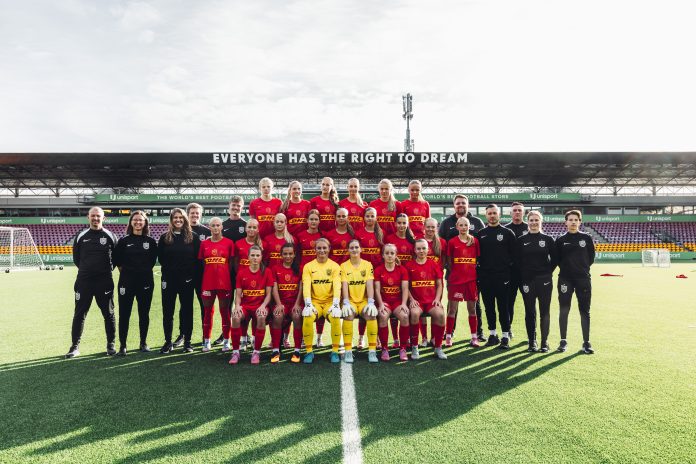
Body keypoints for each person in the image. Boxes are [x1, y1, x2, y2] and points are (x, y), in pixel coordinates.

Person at [65, 206, 119, 358]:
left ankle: (111, 344)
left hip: (104, 281)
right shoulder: (81, 236)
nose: (95, 218)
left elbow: (116, 259)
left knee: (109, 313)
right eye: (93, 216)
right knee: (79, 314)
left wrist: (103, 271)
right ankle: (74, 347)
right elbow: (76, 259)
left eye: (98, 216)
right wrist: (87, 270)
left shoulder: (110, 236)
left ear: (103, 218)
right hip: (84, 281)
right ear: (88, 217)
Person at [438, 194, 486, 342]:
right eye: (458, 203)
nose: (460, 205)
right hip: (454, 274)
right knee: (453, 305)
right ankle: (449, 333)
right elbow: (441, 245)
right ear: (454, 206)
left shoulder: (477, 222)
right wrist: (448, 267)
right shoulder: (446, 223)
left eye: (463, 203)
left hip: (472, 274)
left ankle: (478, 333)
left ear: (468, 205)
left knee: (475, 304)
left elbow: (482, 246)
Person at [112, 210, 158, 355]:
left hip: (145, 282)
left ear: (145, 223)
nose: (138, 222)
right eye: (135, 220)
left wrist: (141, 272)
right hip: (126, 283)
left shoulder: (150, 242)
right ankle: (123, 345)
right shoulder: (123, 241)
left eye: (140, 220)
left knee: (144, 313)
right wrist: (129, 274)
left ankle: (143, 343)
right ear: (131, 222)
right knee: (124, 314)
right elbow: (118, 262)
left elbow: (152, 262)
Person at [157, 208, 201, 354]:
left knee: (187, 311)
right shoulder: (164, 237)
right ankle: (168, 342)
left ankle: (187, 342)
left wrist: (188, 274)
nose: (178, 220)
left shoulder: (193, 237)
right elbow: (161, 258)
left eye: (181, 218)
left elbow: (197, 259)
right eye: (175, 217)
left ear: (185, 219)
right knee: (168, 311)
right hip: (169, 280)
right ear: (171, 220)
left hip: (187, 280)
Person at [514, 210, 557, 353]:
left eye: (536, 220)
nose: (533, 223)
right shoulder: (521, 240)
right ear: (528, 222)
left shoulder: (548, 239)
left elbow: (555, 259)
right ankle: (532, 341)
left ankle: (544, 342)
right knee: (530, 312)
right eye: (531, 220)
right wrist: (524, 274)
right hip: (527, 281)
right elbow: (517, 261)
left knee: (545, 312)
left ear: (541, 222)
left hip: (545, 281)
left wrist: (547, 273)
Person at [556, 210, 595, 354]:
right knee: (564, 310)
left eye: (576, 219)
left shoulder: (587, 238)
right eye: (570, 219)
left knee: (584, 310)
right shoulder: (560, 240)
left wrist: (581, 269)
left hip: (583, 279)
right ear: (565, 222)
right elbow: (557, 259)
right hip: (565, 279)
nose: (573, 222)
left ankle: (586, 342)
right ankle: (563, 341)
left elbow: (591, 258)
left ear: (580, 222)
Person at [477, 204, 516, 349]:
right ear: (486, 215)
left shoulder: (507, 233)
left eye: (494, 213)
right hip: (485, 277)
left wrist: (506, 270)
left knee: (503, 307)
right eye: (489, 213)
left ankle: (505, 336)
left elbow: (514, 255)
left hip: (502, 277)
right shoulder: (481, 234)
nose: (492, 216)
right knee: (489, 307)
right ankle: (493, 335)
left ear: (499, 215)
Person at [172, 202, 210, 348]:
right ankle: (183, 334)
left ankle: (205, 335)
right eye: (192, 213)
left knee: (204, 306)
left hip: (203, 276)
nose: (195, 215)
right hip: (185, 275)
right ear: (187, 215)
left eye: (197, 213)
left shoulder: (206, 232)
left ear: (201, 215)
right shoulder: (181, 232)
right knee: (185, 306)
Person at [230, 245, 275, 364]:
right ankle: (235, 352)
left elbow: (268, 295)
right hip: (245, 306)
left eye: (257, 255)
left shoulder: (267, 272)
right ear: (248, 257)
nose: (255, 258)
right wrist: (237, 306)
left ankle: (256, 352)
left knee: (261, 316)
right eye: (253, 255)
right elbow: (238, 294)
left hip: (260, 305)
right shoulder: (241, 273)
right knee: (235, 317)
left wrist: (263, 306)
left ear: (261, 257)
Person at [301, 238, 342, 364]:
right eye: (319, 248)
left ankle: (335, 351)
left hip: (330, 302)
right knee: (308, 317)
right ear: (315, 250)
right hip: (315, 303)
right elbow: (306, 285)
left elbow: (337, 285)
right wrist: (308, 304)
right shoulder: (308, 266)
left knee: (335, 317)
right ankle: (309, 351)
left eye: (324, 248)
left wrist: (336, 304)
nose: (322, 250)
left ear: (329, 249)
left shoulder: (335, 266)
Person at [198, 217, 235, 353]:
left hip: (224, 283)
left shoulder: (229, 243)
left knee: (225, 312)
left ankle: (226, 341)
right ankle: (207, 341)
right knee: (208, 312)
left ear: (222, 227)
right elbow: (203, 263)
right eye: (213, 225)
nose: (215, 227)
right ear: (209, 227)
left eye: (218, 225)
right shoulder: (204, 244)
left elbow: (231, 264)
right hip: (208, 283)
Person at [405, 239, 446, 360]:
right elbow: (405, 286)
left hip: (431, 301)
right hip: (417, 302)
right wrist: (411, 299)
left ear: (428, 250)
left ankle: (438, 348)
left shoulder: (434, 264)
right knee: (414, 313)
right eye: (418, 248)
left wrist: (437, 299)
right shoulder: (409, 265)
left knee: (440, 314)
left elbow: (439, 284)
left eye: (424, 248)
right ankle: (414, 347)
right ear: (414, 250)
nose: (421, 251)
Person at [340, 239, 378, 363]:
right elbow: (344, 285)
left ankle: (372, 351)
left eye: (356, 247)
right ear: (348, 250)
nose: (354, 249)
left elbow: (369, 284)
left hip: (364, 301)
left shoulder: (367, 265)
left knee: (371, 314)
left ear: (361, 249)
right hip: (350, 301)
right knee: (348, 314)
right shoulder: (343, 266)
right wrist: (346, 302)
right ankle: (348, 351)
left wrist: (371, 302)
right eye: (351, 247)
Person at [446, 217, 481, 347]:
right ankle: (448, 336)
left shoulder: (474, 241)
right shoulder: (452, 242)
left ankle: (474, 337)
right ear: (457, 227)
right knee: (452, 309)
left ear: (469, 226)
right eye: (460, 225)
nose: (463, 227)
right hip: (456, 281)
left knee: (472, 309)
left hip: (471, 281)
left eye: (465, 225)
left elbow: (477, 259)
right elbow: (449, 261)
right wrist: (457, 273)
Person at [374, 244, 412, 361]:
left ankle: (403, 348)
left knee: (405, 316)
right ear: (383, 255)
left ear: (396, 255)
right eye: (387, 253)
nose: (389, 255)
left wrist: (404, 304)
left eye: (392, 253)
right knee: (382, 315)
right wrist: (380, 304)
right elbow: (376, 289)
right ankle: (384, 348)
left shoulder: (402, 270)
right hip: (384, 302)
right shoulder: (378, 270)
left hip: (397, 302)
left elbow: (405, 289)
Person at [383, 213, 416, 348]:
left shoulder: (412, 240)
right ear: (395, 224)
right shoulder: (389, 238)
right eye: (399, 223)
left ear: (407, 224)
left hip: (410, 277)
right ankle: (396, 339)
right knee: (396, 307)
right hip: (395, 276)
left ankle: (407, 339)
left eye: (404, 223)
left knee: (408, 309)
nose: (402, 225)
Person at [218, 195, 247, 345]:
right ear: (229, 207)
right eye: (233, 205)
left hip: (243, 270)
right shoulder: (222, 226)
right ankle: (225, 333)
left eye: (238, 206)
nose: (235, 208)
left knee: (243, 303)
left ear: (242, 207)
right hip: (226, 270)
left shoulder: (246, 225)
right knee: (226, 304)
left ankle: (244, 333)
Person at [354, 207, 384, 346]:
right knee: (363, 304)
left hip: (377, 273)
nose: (370, 218)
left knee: (375, 305)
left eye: (372, 216)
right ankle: (361, 337)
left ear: (376, 218)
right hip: (362, 273)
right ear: (364, 218)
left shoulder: (381, 233)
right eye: (368, 216)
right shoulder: (358, 233)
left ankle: (376, 337)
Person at [296, 209, 326, 346]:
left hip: (320, 274)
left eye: (316, 219)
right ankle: (304, 336)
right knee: (305, 305)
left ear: (319, 221)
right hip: (305, 274)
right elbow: (297, 255)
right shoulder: (300, 236)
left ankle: (319, 337)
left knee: (320, 303)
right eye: (311, 219)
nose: (313, 221)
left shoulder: (323, 235)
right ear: (307, 221)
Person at [271, 243, 304, 363]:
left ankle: (297, 350)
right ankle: (275, 350)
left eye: (290, 253)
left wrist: (297, 304)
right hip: (282, 302)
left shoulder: (300, 268)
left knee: (297, 315)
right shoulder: (275, 269)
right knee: (277, 315)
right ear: (281, 255)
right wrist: (279, 304)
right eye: (285, 254)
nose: (288, 256)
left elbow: (301, 288)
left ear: (294, 254)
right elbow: (274, 288)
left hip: (295, 303)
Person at [234, 219, 264, 350]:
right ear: (246, 228)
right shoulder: (238, 243)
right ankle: (243, 339)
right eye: (249, 227)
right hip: (243, 282)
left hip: (258, 282)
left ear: (258, 229)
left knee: (255, 311)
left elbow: (264, 263)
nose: (251, 230)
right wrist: (240, 275)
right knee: (242, 310)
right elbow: (236, 262)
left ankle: (254, 338)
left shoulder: (263, 244)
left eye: (254, 227)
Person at [420, 217, 448, 346]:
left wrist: (439, 271)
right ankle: (424, 337)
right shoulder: (419, 241)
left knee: (434, 307)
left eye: (433, 227)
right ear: (424, 227)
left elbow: (444, 259)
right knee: (422, 310)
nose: (430, 229)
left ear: (437, 228)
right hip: (421, 279)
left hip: (436, 281)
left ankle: (433, 337)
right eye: (428, 226)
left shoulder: (442, 242)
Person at [504, 201, 529, 337]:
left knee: (529, 303)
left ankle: (531, 333)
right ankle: (508, 330)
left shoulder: (530, 227)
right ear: (510, 213)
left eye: (520, 210)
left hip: (527, 274)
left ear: (523, 212)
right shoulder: (505, 230)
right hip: (511, 273)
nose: (517, 212)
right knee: (509, 303)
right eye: (515, 210)